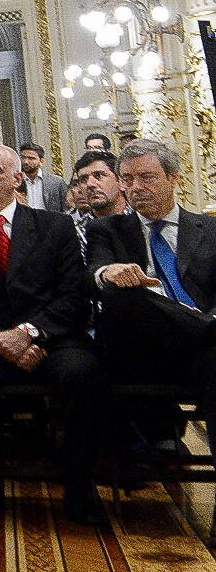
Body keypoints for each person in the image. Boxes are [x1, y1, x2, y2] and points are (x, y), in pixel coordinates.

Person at [0, 144, 104, 526]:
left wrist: (29, 333)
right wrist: (3, 340)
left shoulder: (52, 226)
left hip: (50, 335)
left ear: (16, 178)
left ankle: (79, 484)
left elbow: (72, 295)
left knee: (82, 372)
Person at [88, 140, 216, 436]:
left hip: (203, 353)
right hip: (143, 348)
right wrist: (109, 271)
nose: (135, 187)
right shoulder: (108, 230)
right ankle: (207, 327)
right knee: (123, 293)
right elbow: (94, 270)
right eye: (127, 179)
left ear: (173, 177)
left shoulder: (209, 229)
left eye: (146, 177)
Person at [19, 143, 67, 212]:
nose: (26, 162)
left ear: (41, 161)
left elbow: (66, 208)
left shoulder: (56, 182)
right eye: (23, 157)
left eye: (31, 158)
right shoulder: (15, 182)